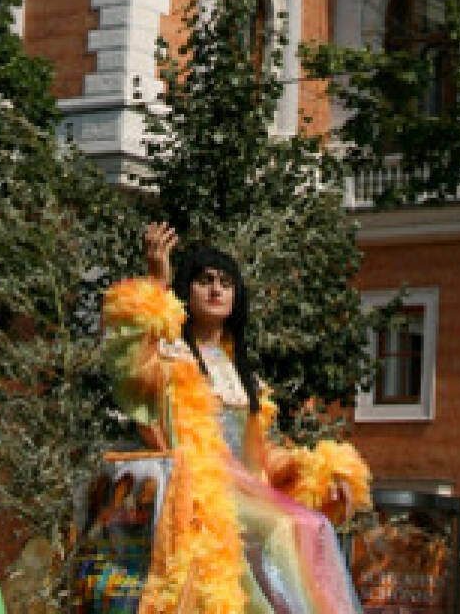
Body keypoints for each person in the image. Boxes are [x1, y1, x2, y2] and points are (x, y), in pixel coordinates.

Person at [76, 222, 370, 614]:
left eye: (226, 283)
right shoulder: (169, 357)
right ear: (187, 291)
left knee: (311, 525)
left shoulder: (241, 375)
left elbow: (260, 455)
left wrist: (317, 472)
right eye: (205, 281)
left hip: (246, 491)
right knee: (287, 526)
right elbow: (130, 346)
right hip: (197, 492)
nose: (216, 290)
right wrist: (157, 280)